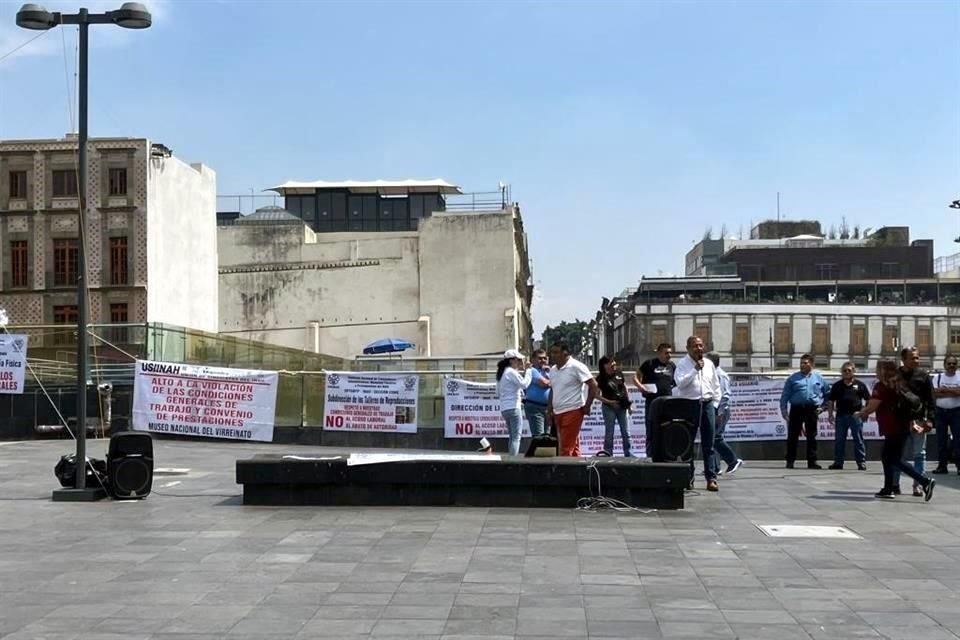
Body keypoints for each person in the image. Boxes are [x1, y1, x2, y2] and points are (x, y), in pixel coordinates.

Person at [859, 358, 935, 501]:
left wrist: (860, 413)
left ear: (882, 370)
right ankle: (888, 488)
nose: (876, 371)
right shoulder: (899, 384)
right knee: (889, 458)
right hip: (902, 426)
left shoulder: (881, 386)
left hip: (892, 427)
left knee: (894, 459)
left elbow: (872, 407)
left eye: (877, 368)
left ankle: (925, 482)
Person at [673, 336, 720, 492]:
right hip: (689, 404)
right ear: (688, 348)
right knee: (688, 443)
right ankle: (689, 478)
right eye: (695, 346)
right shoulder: (683, 364)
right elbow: (680, 383)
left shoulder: (709, 364)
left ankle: (711, 478)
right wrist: (695, 370)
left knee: (709, 443)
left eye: (700, 345)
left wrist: (715, 404)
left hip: (707, 404)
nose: (698, 349)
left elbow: (715, 385)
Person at [893, 346, 935, 496]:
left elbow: (931, 400)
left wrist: (930, 420)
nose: (916, 360)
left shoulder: (923, 376)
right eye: (912, 358)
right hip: (899, 421)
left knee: (919, 454)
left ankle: (918, 485)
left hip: (919, 420)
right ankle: (894, 484)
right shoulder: (895, 376)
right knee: (898, 455)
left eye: (917, 357)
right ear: (903, 360)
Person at [546, 341, 599, 457]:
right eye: (552, 352)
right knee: (572, 446)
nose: (552, 355)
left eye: (556, 352)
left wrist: (587, 406)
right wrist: (549, 410)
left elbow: (593, 385)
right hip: (557, 412)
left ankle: (564, 473)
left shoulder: (576, 366)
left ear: (565, 353)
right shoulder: (553, 370)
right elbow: (552, 390)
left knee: (565, 448)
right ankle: (578, 470)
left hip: (573, 410)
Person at [780, 354, 827, 469]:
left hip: (812, 410)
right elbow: (785, 395)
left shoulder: (818, 378)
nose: (803, 365)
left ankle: (812, 461)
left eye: (805, 363)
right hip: (796, 409)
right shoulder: (792, 378)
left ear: (812, 364)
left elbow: (828, 393)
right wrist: (784, 411)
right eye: (801, 362)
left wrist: (823, 407)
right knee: (792, 436)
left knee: (811, 436)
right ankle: (790, 461)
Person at [634, 343, 676, 458]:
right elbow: (635, 377)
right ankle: (650, 455)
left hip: (667, 403)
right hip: (652, 402)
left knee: (667, 428)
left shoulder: (672, 365)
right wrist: (641, 387)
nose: (669, 355)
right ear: (659, 353)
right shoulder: (649, 364)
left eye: (670, 352)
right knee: (651, 429)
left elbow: (676, 382)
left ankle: (665, 454)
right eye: (666, 353)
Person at [827, 362, 871, 471]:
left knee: (858, 440)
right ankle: (838, 462)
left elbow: (868, 400)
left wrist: (864, 412)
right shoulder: (837, 386)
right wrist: (830, 414)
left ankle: (861, 463)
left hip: (855, 416)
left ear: (854, 372)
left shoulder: (860, 385)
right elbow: (831, 401)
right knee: (839, 440)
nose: (847, 372)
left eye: (849, 370)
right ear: (841, 373)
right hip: (841, 416)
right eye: (844, 370)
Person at [706, 352, 742, 475]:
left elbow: (725, 395)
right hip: (715, 409)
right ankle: (715, 467)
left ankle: (733, 460)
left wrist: (719, 413)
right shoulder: (713, 374)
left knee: (715, 437)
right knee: (711, 438)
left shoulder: (721, 375)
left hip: (720, 410)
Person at [495, 349, 532, 456]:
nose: (520, 363)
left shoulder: (501, 373)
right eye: (518, 360)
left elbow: (498, 391)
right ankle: (513, 460)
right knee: (516, 437)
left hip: (504, 408)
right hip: (514, 407)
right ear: (512, 361)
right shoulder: (511, 372)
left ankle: (511, 458)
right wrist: (529, 371)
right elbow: (524, 384)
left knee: (512, 436)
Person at [596, 356, 632, 457]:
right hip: (609, 408)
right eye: (611, 363)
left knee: (626, 432)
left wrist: (629, 405)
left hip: (622, 406)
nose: (614, 364)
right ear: (605, 365)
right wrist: (610, 402)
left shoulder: (619, 374)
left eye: (614, 362)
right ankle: (608, 453)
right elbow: (596, 395)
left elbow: (625, 387)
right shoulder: (600, 378)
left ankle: (629, 453)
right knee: (609, 433)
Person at [931, 354, 960, 475]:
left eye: (954, 364)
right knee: (941, 440)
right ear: (944, 365)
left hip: (957, 412)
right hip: (940, 412)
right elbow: (934, 393)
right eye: (949, 363)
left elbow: (959, 393)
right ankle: (942, 466)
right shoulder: (937, 377)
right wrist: (953, 392)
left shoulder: (959, 377)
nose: (951, 366)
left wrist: (944, 390)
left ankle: (959, 466)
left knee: (958, 440)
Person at [522, 349, 551, 438]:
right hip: (535, 407)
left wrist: (550, 373)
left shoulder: (548, 371)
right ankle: (537, 452)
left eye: (544, 358)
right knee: (538, 437)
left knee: (547, 437)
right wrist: (555, 380)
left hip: (547, 408)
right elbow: (544, 384)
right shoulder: (532, 370)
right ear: (533, 359)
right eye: (540, 358)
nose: (543, 360)